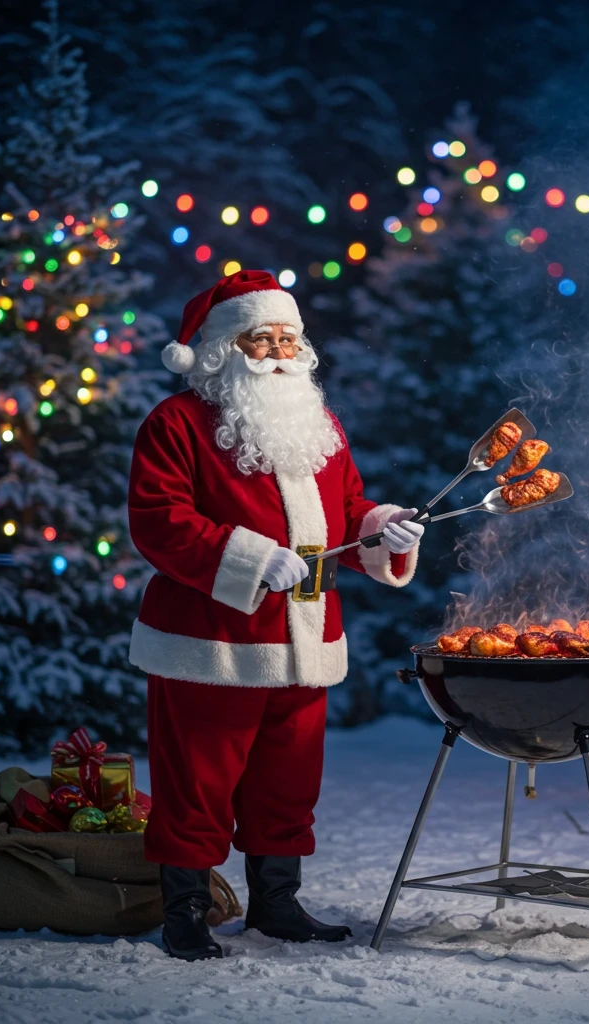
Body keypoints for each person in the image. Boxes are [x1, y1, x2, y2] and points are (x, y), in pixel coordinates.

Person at [127, 270, 424, 960]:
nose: (282, 352)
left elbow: (346, 514)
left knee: (287, 781)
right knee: (197, 782)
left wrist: (384, 527)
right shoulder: (176, 424)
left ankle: (276, 904)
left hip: (304, 635)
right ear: (224, 348)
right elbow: (159, 522)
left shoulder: (317, 423)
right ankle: (186, 912)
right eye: (263, 340)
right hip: (212, 641)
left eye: (290, 338)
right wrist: (252, 559)